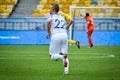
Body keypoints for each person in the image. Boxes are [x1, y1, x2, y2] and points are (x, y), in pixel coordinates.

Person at [46, 4, 69, 75]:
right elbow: (65, 25)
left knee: (52, 55)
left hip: (56, 35)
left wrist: (48, 32)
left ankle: (62, 56)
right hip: (64, 35)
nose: (49, 10)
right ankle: (66, 71)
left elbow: (48, 22)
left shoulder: (51, 16)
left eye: (50, 8)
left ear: (53, 9)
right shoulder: (61, 17)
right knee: (64, 54)